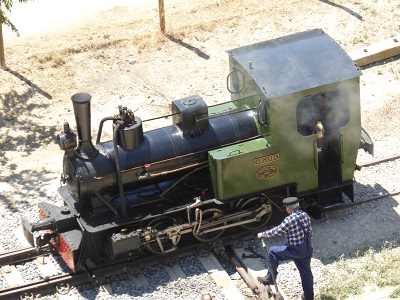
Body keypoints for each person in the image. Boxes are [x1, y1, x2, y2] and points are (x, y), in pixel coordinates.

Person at [257, 197, 314, 300]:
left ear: (288, 208)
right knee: (306, 273)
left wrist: (263, 234)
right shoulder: (305, 215)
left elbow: (277, 231)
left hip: (296, 250)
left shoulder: (290, 219)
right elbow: (310, 232)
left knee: (273, 252)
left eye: (286, 207)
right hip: (308, 248)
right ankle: (308, 297)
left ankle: (270, 277)